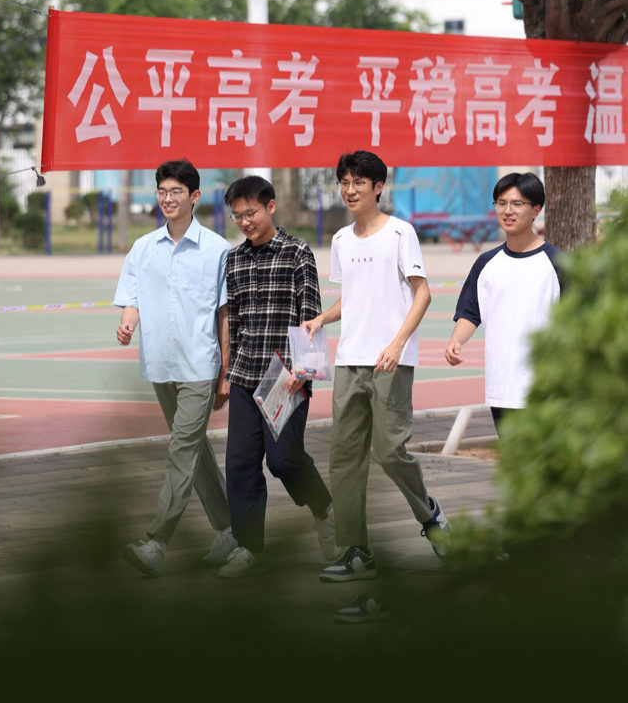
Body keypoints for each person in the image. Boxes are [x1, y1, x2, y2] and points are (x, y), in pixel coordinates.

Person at [302, 150, 449, 616]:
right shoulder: (341, 239)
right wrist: (320, 319)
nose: (350, 190)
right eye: (344, 182)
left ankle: (430, 516)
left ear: (378, 187)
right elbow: (351, 296)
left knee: (390, 451)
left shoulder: (401, 233)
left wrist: (397, 344)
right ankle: (356, 551)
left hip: (390, 361)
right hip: (349, 361)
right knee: (344, 459)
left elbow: (422, 293)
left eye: (359, 183)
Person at [113, 158, 236, 577]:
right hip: (160, 364)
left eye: (176, 192)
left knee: (181, 450)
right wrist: (128, 323)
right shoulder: (143, 248)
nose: (167, 199)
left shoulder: (217, 250)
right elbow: (132, 297)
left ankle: (156, 542)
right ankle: (230, 529)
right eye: (162, 191)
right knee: (194, 449)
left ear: (194, 196)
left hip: (200, 365)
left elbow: (224, 314)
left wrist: (225, 372)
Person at [217, 175, 337, 579]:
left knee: (284, 459)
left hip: (285, 375)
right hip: (245, 374)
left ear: (270, 207)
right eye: (237, 216)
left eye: (250, 213)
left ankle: (324, 509)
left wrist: (305, 370)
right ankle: (249, 547)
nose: (245, 222)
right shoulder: (234, 259)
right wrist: (227, 373)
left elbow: (311, 313)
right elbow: (234, 320)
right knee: (240, 464)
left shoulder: (297, 252)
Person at [445, 171, 563, 434]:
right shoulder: (486, 264)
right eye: (501, 203)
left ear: (536, 210)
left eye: (517, 204)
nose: (508, 211)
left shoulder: (557, 264)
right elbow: (470, 312)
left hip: (545, 389)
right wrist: (456, 341)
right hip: (501, 388)